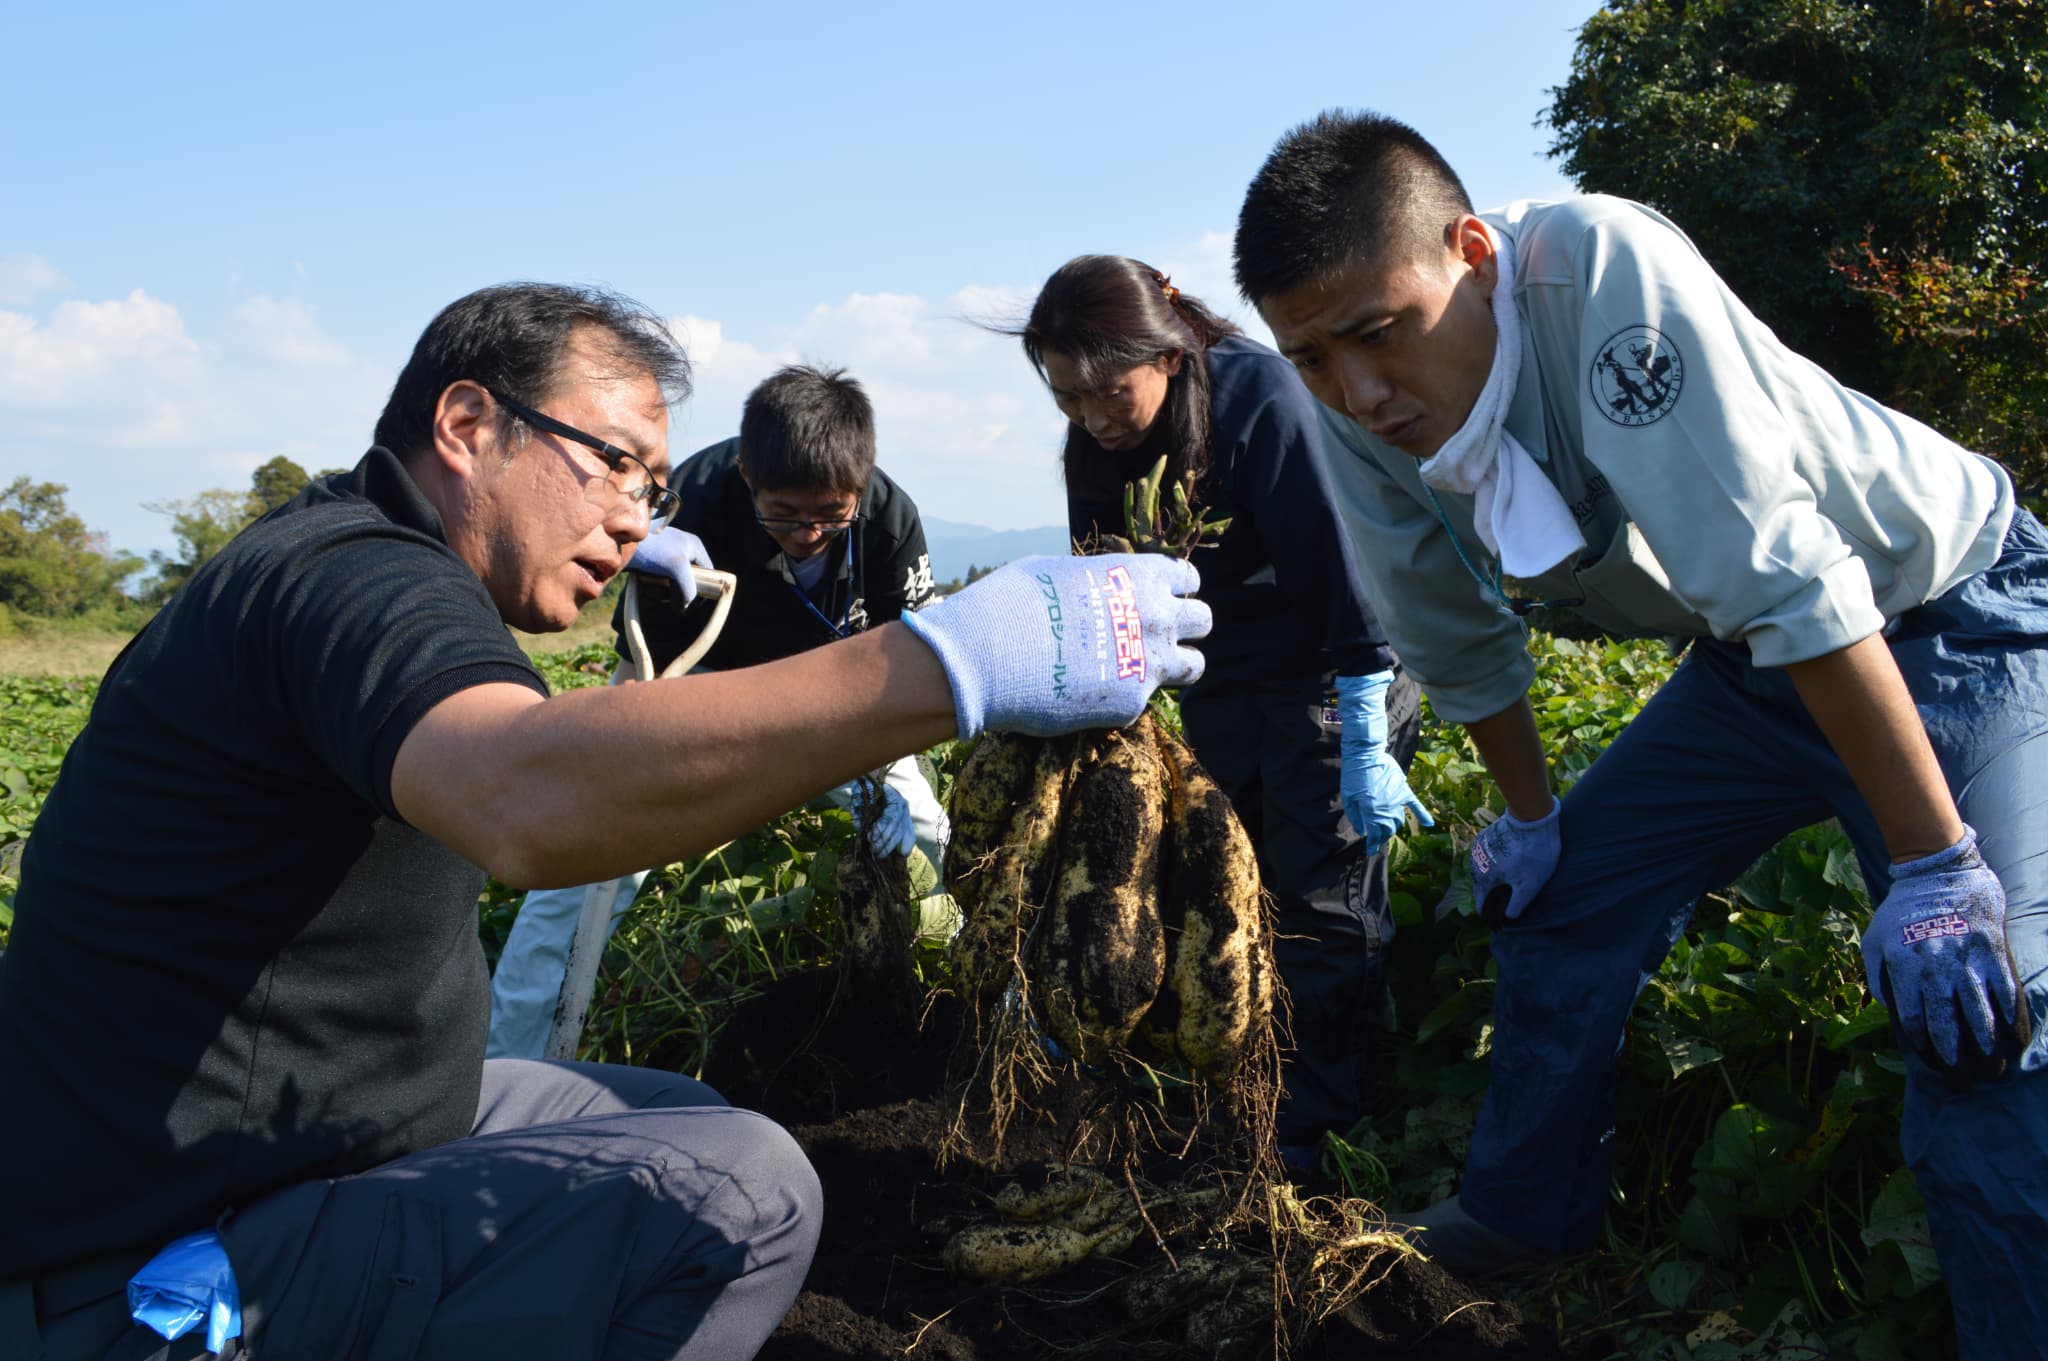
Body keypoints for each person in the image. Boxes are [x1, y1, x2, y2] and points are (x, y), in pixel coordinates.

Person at [0, 282, 1210, 1361]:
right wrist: (943, 666)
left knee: (683, 1119)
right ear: (468, 427)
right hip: (161, 1249)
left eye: (655, 485)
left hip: (334, 1128)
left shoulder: (374, 569)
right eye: (614, 464)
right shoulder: (352, 577)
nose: (637, 519)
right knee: (748, 1191)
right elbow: (526, 798)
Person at [1232, 110, 2047, 1357]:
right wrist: (1530, 819)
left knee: (1984, 1016)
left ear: (1471, 252)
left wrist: (1935, 867)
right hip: (1750, 671)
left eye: (1376, 333)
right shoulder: (1357, 407)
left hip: (1948, 623)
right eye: (1311, 358)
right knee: (1561, 903)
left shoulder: (1595, 272)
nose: (1357, 391)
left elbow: (1788, 582)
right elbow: (1449, 629)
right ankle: (1516, 1218)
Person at [1012, 254, 1430, 1162]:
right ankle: (1242, 1080)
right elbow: (1108, 586)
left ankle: (1319, 1125)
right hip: (1226, 673)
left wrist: (1365, 713)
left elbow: (1340, 562)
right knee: (1233, 878)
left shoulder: (1258, 399)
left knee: (1323, 897)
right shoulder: (1100, 443)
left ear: (1163, 353)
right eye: (1067, 400)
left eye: (1106, 391)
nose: (1090, 418)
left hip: (1334, 660)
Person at [485, 363, 948, 1060]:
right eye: (783, 514)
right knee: (582, 868)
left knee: (930, 831)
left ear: (860, 483)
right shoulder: (690, 493)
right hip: (684, 691)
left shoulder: (888, 520)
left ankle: (964, 1007)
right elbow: (598, 556)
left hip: (825, 701)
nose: (808, 533)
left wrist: (879, 765)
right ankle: (510, 1063)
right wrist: (636, 541)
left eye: (830, 515)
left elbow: (911, 658)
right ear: (745, 473)